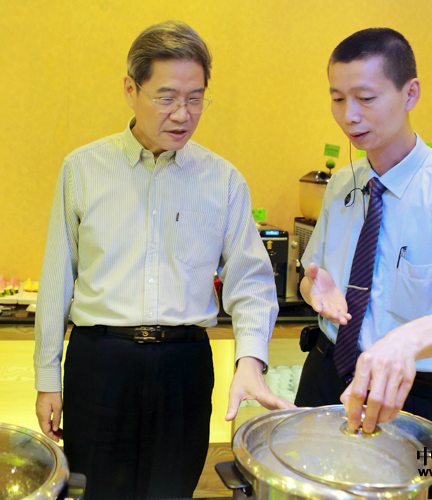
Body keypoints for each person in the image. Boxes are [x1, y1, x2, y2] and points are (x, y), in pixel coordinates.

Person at [34, 20, 293, 500]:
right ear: (131, 89)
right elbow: (57, 281)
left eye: (195, 98)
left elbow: (252, 280)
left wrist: (250, 359)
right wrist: (48, 378)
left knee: (172, 492)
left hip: (184, 366)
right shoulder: (83, 168)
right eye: (167, 97)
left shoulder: (223, 179)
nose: (182, 114)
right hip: (100, 361)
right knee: (96, 491)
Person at [295, 28, 432, 498]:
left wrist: (405, 342)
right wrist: (313, 289)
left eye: (366, 98)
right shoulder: (341, 184)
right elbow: (311, 277)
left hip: (413, 397)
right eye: (337, 99)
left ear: (410, 93)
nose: (349, 116)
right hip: (322, 377)